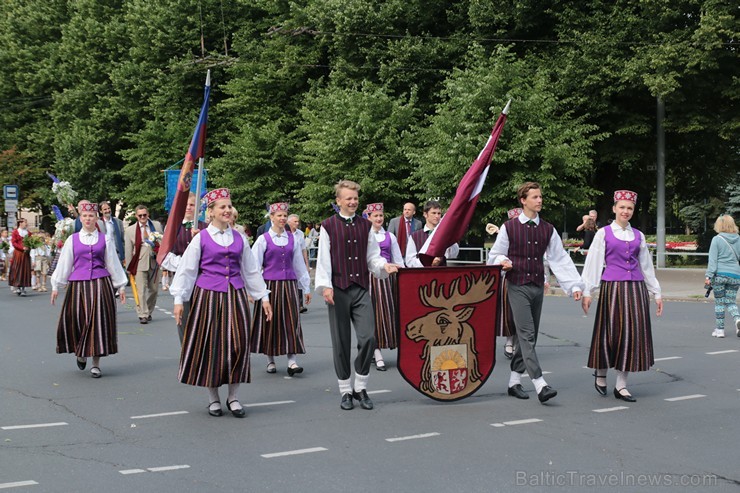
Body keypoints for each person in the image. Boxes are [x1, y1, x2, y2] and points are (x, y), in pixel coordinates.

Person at [170, 188, 273, 418]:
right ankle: (213, 398)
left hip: (235, 296)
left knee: (237, 345)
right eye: (222, 207)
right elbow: (187, 270)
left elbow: (251, 269)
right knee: (212, 347)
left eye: (229, 206)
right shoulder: (201, 238)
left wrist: (263, 296)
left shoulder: (239, 237)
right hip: (208, 297)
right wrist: (179, 299)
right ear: (212, 212)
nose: (227, 210)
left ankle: (233, 396)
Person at [488, 182, 583, 404]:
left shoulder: (548, 229)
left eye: (540, 197)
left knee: (528, 337)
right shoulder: (508, 227)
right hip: (517, 285)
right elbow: (496, 254)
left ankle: (513, 382)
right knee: (527, 333)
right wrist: (503, 261)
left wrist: (574, 285)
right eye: (535, 197)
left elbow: (559, 258)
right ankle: (540, 383)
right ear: (523, 200)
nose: (539, 200)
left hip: (537, 286)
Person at [315, 180, 398, 411]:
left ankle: (361, 386)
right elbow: (323, 258)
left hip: (361, 287)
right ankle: (345, 391)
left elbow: (372, 256)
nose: (352, 202)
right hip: (338, 288)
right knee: (341, 342)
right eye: (348, 198)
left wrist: (384, 266)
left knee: (368, 337)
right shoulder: (328, 226)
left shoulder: (366, 225)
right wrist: (325, 286)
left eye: (355, 198)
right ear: (339, 201)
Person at [581, 190, 663, 402]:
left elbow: (645, 265)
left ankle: (621, 384)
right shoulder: (604, 233)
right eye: (622, 207)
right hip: (613, 288)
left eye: (630, 208)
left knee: (631, 334)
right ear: (614, 208)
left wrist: (656, 292)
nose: (626, 211)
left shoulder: (638, 235)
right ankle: (600, 372)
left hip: (635, 289)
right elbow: (595, 262)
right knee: (609, 331)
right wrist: (588, 291)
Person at [50, 200, 127, 378]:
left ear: (96, 218)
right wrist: (56, 285)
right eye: (84, 216)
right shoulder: (73, 239)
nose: (87, 219)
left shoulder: (105, 239)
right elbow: (65, 263)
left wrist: (121, 286)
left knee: (98, 323)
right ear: (81, 218)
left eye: (91, 216)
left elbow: (113, 264)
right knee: (79, 320)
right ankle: (81, 352)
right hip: (78, 286)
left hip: (101, 285)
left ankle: (96, 363)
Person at [250, 204, 311, 375]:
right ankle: (270, 359)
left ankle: (292, 361)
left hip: (290, 285)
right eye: (279, 216)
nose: (283, 218)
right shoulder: (263, 239)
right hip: (270, 285)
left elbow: (298, 263)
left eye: (285, 215)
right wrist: (256, 291)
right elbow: (254, 267)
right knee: (271, 322)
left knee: (291, 321)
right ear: (271, 217)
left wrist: (305, 286)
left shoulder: (293, 239)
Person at [160, 193, 207, 342]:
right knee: (184, 318)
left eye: (192, 205)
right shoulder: (173, 228)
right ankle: (186, 352)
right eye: (186, 205)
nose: (188, 208)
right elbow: (165, 255)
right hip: (183, 279)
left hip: (202, 279)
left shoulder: (205, 228)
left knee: (203, 318)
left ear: (197, 208)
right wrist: (184, 263)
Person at [366, 203, 404, 371]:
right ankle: (376, 351)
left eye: (381, 216)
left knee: (388, 314)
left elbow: (398, 259)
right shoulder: (366, 236)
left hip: (388, 280)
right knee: (372, 315)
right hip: (371, 279)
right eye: (376, 216)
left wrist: (400, 273)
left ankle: (383, 346)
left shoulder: (390, 236)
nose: (379, 218)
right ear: (369, 218)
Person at [124, 205, 163, 324]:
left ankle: (149, 311)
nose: (142, 217)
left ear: (148, 214)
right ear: (136, 216)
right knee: (141, 290)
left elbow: (163, 241)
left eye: (144, 215)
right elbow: (128, 249)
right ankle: (143, 314)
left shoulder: (156, 226)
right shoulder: (130, 230)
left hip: (154, 262)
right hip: (139, 262)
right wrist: (129, 267)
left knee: (154, 290)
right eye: (140, 215)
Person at [704, 214, 740, 338]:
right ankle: (737, 320)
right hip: (735, 275)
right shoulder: (738, 239)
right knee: (731, 301)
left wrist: (708, 276)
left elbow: (713, 260)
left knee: (719, 302)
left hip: (719, 275)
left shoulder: (717, 239)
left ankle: (720, 330)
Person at [404, 200, 459, 267]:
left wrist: (449, 236)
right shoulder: (415, 236)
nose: (437, 216)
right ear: (425, 214)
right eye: (433, 213)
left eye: (439, 213)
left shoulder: (444, 234)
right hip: (423, 274)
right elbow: (409, 261)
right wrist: (428, 262)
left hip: (441, 273)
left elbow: (454, 254)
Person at [287, 213, 310, 313]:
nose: (297, 223)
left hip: (298, 261)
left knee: (299, 281)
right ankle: (290, 304)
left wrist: (307, 264)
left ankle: (299, 304)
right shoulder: (284, 233)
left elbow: (303, 249)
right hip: (288, 262)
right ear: (289, 222)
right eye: (295, 221)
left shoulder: (300, 233)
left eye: (298, 221)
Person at [9, 218, 33, 296]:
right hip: (18, 253)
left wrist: (29, 247)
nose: (26, 224)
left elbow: (31, 242)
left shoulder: (28, 233)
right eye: (25, 222)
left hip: (26, 254)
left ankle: (23, 288)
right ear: (20, 223)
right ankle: (17, 286)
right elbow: (14, 242)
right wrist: (22, 248)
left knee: (25, 270)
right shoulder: (15, 232)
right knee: (18, 269)